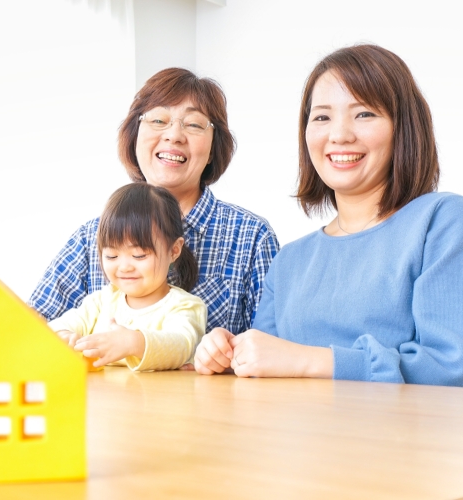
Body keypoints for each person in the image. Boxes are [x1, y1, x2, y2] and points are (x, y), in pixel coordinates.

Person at [195, 44, 463, 388]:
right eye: (322, 117)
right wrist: (228, 355)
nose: (340, 135)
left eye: (364, 114)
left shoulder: (442, 221)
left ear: (404, 127)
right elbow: (265, 368)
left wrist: (308, 361)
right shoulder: (290, 261)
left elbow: (459, 372)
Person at [30, 68, 279, 337]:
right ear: (135, 135)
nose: (174, 135)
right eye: (159, 120)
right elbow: (30, 328)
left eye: (194, 124)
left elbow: (273, 347)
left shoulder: (251, 236)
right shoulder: (90, 237)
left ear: (212, 150)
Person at [48, 183, 206, 371]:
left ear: (174, 250)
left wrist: (134, 343)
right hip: (103, 390)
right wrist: (64, 336)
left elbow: (181, 345)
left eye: (139, 255)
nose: (124, 267)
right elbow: (53, 328)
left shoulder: (185, 306)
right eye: (111, 256)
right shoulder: (101, 302)